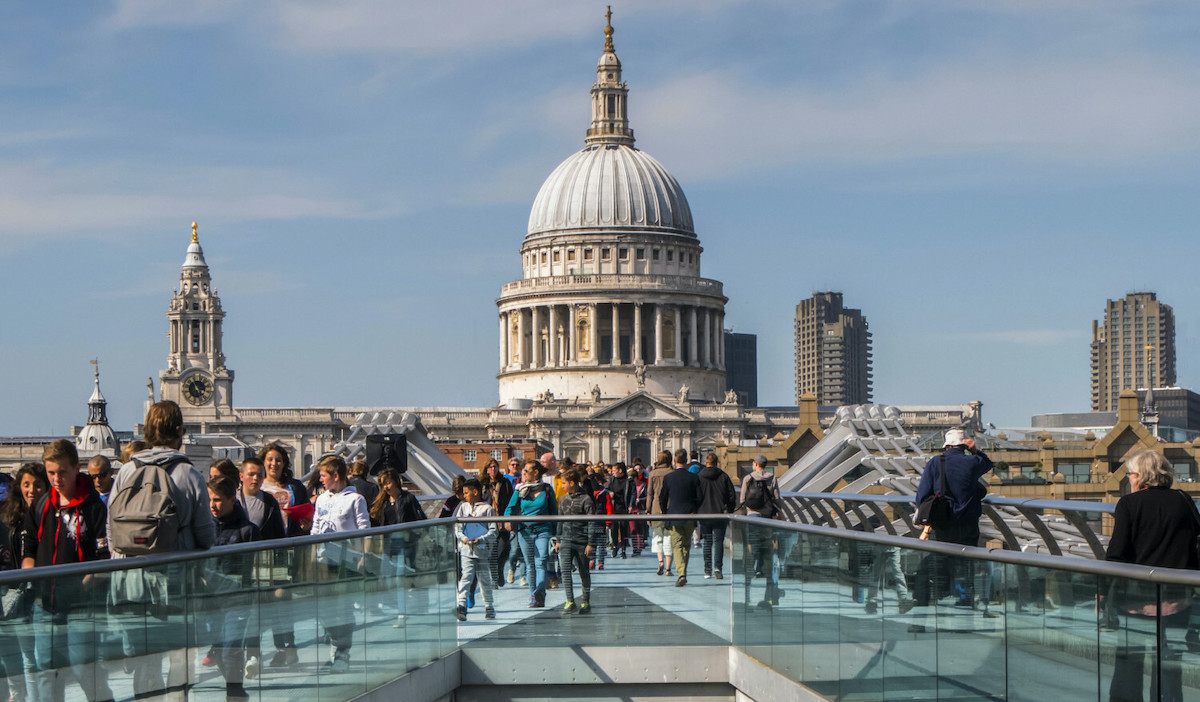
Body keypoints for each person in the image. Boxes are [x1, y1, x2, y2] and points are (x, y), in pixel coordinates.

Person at [108, 400, 215, 701]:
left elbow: (112, 532)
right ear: (180, 431)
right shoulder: (189, 474)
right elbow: (206, 536)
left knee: (145, 660)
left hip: (131, 584)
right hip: (177, 584)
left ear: (147, 430)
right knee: (180, 660)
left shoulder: (126, 472)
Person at [21, 440, 113, 702]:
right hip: (44, 603)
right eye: (51, 473)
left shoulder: (94, 507)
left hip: (81, 605)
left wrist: (79, 587)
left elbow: (102, 559)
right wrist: (32, 575)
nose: (56, 479)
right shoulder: (41, 505)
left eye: (62, 472)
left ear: (76, 468)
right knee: (46, 669)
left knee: (83, 667)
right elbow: (28, 551)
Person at [1105, 450, 1199, 702]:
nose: (1128, 480)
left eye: (1130, 475)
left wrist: (1105, 594)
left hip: (1135, 600)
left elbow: (1116, 554)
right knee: (1169, 665)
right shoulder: (1184, 500)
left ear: (1140, 476)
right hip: (1178, 598)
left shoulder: (1128, 504)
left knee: (1128, 665)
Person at [909, 429, 993, 631]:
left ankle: (922, 622)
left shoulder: (936, 463)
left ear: (946, 446)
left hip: (943, 525)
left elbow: (921, 496)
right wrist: (975, 451)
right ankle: (965, 623)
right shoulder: (972, 462)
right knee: (965, 570)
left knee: (933, 571)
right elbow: (988, 464)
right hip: (968, 524)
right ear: (964, 445)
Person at [310, 455, 371, 673]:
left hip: (347, 561)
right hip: (324, 560)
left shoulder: (356, 499)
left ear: (336, 476)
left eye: (324, 476)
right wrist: (311, 558)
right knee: (324, 609)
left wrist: (364, 556)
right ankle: (335, 649)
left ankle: (342, 653)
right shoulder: (321, 499)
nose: (320, 480)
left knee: (343, 609)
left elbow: (365, 529)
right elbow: (315, 530)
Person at [204, 476, 260, 700]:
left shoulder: (247, 530)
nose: (212, 506)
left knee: (230, 651)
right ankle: (234, 688)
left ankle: (235, 692)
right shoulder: (205, 528)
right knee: (218, 653)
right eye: (209, 500)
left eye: (217, 500)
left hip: (237, 599)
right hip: (210, 601)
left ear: (231, 499)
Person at [257, 443, 308, 668]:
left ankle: (288, 647)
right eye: (270, 459)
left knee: (281, 600)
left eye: (278, 459)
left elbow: (307, 515)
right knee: (267, 603)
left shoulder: (294, 487)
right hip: (261, 551)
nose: (274, 463)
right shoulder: (255, 485)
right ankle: (283, 648)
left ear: (284, 463)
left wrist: (306, 523)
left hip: (286, 549)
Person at [0, 463, 48, 702]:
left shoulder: (49, 515)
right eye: (26, 484)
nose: (32, 490)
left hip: (40, 594)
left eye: (38, 485)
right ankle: (19, 694)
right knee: (12, 653)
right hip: (12, 594)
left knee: (33, 657)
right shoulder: (9, 516)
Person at [370, 468, 426, 627]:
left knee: (399, 579)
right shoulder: (384, 502)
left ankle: (402, 614)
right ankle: (404, 604)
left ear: (396, 481)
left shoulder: (408, 498)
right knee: (388, 580)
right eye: (383, 484)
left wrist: (415, 535)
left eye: (388, 482)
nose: (386, 487)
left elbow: (421, 518)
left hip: (405, 544)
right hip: (389, 546)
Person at [505, 460, 556, 608]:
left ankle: (540, 591)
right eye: (523, 470)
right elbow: (510, 507)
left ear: (536, 473)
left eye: (527, 470)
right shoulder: (520, 490)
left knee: (541, 561)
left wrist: (557, 533)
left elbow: (554, 511)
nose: (523, 473)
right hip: (525, 530)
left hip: (543, 530)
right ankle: (534, 595)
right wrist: (507, 520)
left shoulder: (546, 489)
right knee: (530, 564)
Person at [453, 479, 497, 621]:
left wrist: (482, 539)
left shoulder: (487, 509)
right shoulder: (463, 507)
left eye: (466, 493)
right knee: (466, 577)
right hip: (467, 550)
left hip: (482, 551)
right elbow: (457, 527)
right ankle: (461, 605)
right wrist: (463, 538)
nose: (464, 496)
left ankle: (489, 606)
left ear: (475, 492)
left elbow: (493, 530)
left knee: (484, 579)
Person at [658, 448, 703, 587]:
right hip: (689, 515)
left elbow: (662, 498)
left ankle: (681, 574)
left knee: (677, 546)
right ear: (686, 460)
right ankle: (683, 571)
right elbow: (700, 497)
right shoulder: (694, 477)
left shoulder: (668, 478)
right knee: (686, 545)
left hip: (674, 515)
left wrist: (666, 512)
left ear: (675, 461)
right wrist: (694, 509)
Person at [556, 468, 598, 615]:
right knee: (565, 572)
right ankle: (570, 601)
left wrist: (590, 543)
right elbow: (560, 521)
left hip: (582, 542)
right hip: (566, 540)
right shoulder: (563, 500)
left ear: (572, 483)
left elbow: (592, 522)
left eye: (564, 483)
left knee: (584, 572)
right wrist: (558, 539)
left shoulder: (586, 499)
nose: (562, 486)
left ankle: (585, 601)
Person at [697, 453, 735, 579]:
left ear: (705, 462)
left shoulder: (699, 477)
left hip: (704, 514)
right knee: (719, 541)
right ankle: (718, 567)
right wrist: (730, 509)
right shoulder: (724, 476)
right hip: (720, 513)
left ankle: (707, 570)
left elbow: (696, 495)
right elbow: (731, 495)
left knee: (707, 541)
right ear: (717, 462)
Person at [480, 459, 514, 587]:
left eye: (495, 467)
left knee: (503, 549)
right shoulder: (482, 484)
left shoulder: (505, 483)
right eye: (490, 467)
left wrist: (510, 518)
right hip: (488, 522)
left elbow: (511, 501)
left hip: (502, 522)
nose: (493, 469)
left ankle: (499, 571)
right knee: (491, 553)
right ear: (486, 469)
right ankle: (495, 578)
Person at [645, 451, 674, 576]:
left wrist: (648, 510)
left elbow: (649, 494)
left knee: (657, 537)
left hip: (656, 508)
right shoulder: (672, 473)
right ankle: (668, 568)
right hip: (670, 507)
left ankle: (660, 561)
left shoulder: (652, 474)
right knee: (669, 537)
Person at [605, 462, 634, 559]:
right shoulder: (612, 479)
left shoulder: (629, 480)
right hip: (614, 507)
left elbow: (633, 494)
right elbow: (606, 489)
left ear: (620, 470)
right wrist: (610, 492)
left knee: (623, 527)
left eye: (614, 470)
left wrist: (631, 505)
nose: (612, 472)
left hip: (624, 507)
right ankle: (615, 545)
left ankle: (623, 549)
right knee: (614, 528)